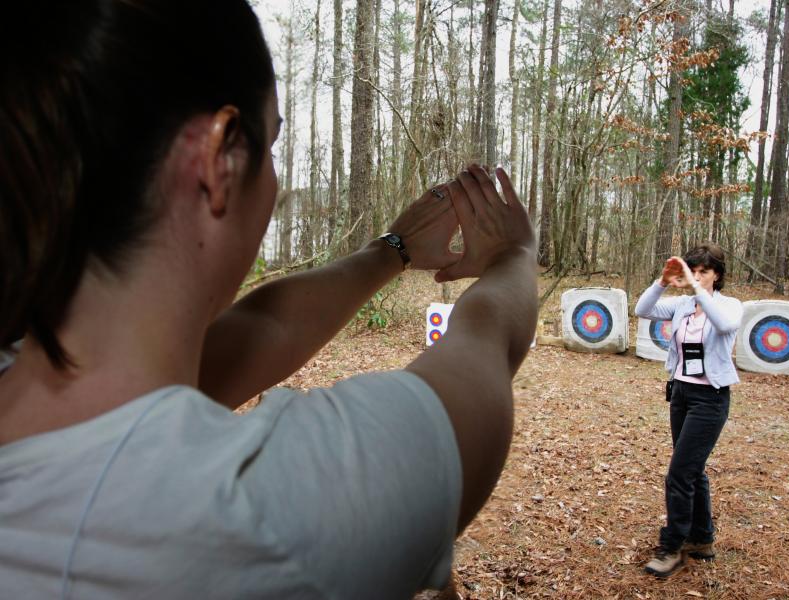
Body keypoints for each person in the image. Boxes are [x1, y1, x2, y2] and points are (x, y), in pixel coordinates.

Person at [0, 1, 538, 598]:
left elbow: (260, 330)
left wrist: (395, 249)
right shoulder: (253, 520)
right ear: (220, 157)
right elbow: (484, 351)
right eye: (271, 143)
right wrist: (514, 253)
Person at [635, 244, 742, 578]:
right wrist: (663, 281)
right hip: (681, 393)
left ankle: (672, 547)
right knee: (693, 470)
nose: (696, 276)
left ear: (717, 275)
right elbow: (642, 309)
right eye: (692, 270)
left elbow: (723, 324)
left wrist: (695, 288)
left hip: (710, 398)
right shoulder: (682, 305)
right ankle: (702, 539)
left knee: (680, 473)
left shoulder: (730, 306)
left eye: (703, 272)